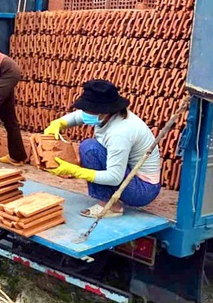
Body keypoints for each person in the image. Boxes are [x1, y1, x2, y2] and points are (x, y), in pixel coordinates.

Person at [44, 79, 162, 216]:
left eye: (88, 110)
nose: (85, 114)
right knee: (91, 147)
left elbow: (114, 177)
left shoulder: (120, 132)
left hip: (142, 190)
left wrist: (76, 171)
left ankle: (110, 207)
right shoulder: (109, 115)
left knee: (90, 149)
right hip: (133, 178)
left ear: (104, 111)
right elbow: (78, 117)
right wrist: (59, 123)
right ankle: (109, 200)